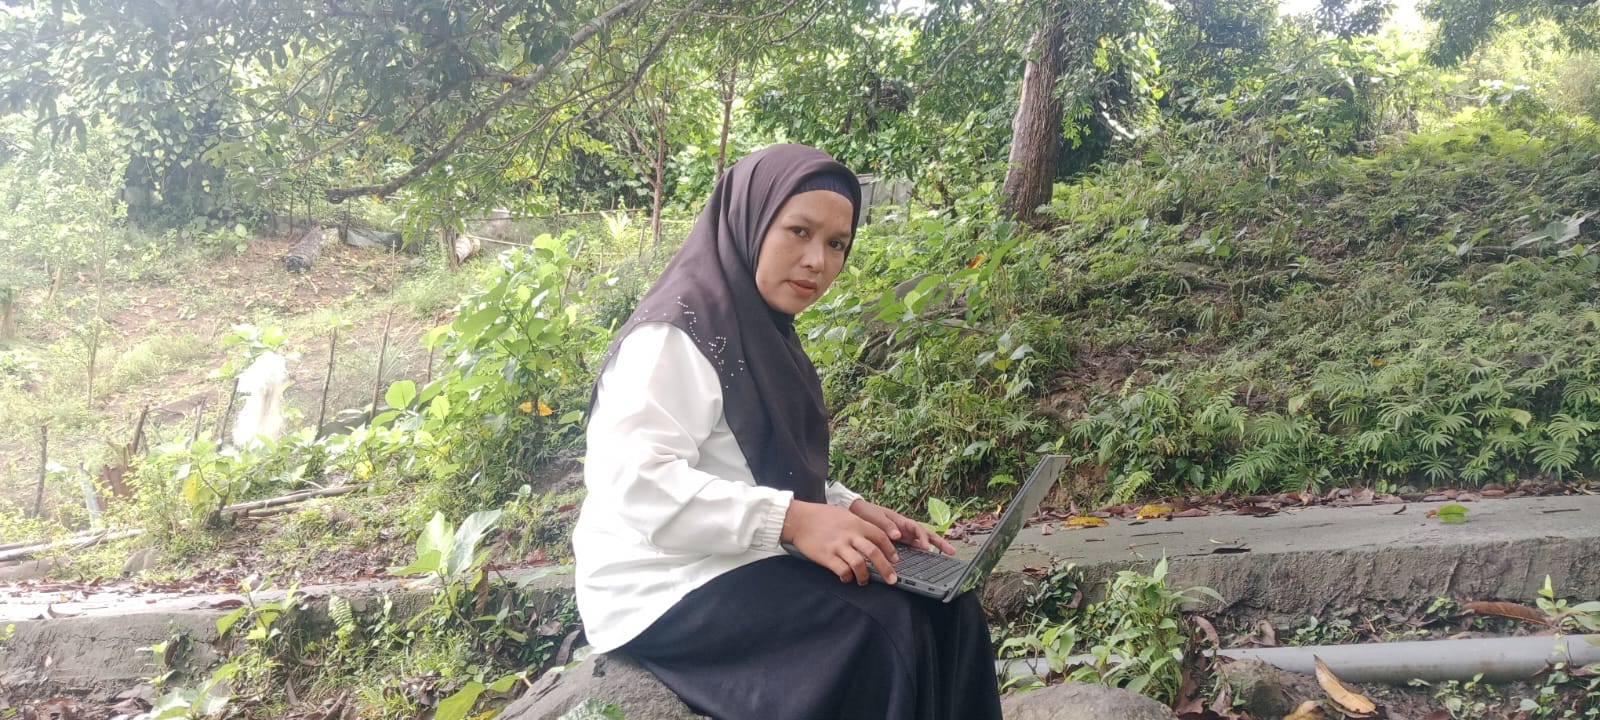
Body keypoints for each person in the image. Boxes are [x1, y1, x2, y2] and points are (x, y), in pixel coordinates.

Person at [573, 144, 1004, 720]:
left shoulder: (760, 327)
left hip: (738, 552)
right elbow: (636, 483)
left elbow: (750, 462)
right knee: (883, 630)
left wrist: (847, 507)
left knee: (951, 608)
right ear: (750, 219)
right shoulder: (674, 334)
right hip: (658, 582)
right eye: (799, 231)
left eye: (837, 244)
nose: (817, 261)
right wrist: (796, 521)